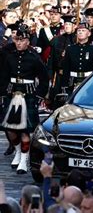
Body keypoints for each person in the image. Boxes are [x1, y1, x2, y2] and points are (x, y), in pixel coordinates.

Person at [0, 24, 48, 174]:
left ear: (28, 41)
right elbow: (4, 76)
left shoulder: (34, 58)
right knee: (10, 129)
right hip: (12, 93)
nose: (19, 43)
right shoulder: (10, 56)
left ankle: (24, 159)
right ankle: (18, 151)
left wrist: (39, 95)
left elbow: (44, 78)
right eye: (17, 40)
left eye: (22, 40)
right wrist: (1, 93)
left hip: (28, 95)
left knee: (25, 130)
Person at [61, 23, 93, 94]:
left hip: (88, 81)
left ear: (89, 33)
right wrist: (64, 85)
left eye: (83, 30)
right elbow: (66, 68)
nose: (80, 32)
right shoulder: (70, 49)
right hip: (72, 82)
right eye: (79, 30)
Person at [48, 15, 76, 109]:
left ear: (75, 26)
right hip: (59, 74)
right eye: (66, 24)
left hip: (71, 76)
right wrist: (50, 75)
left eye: (70, 24)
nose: (67, 26)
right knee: (57, 100)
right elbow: (51, 59)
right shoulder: (58, 39)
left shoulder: (76, 39)